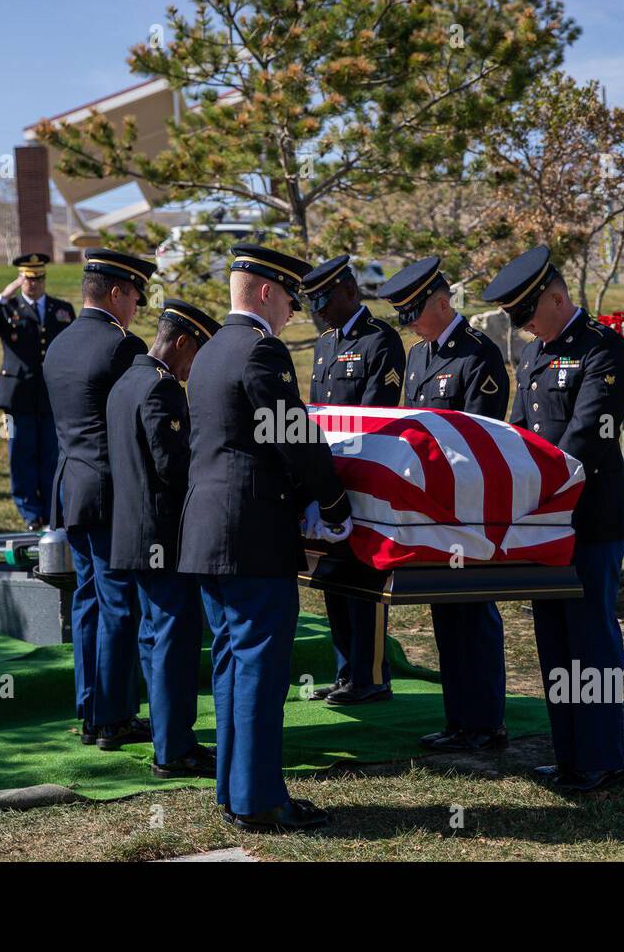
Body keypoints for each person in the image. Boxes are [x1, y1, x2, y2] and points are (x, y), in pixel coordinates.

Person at [178, 243, 353, 833]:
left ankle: (235, 790)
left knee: (231, 661)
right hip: (251, 532)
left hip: (207, 532)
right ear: (264, 293)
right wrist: (331, 498)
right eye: (288, 299)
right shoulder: (260, 351)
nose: (291, 312)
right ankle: (257, 800)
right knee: (257, 666)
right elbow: (293, 435)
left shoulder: (205, 354)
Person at [485, 245, 624, 794]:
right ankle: (569, 755)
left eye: (526, 314)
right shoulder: (534, 354)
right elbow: (520, 431)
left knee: (590, 640)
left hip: (590, 518)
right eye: (515, 320)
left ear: (556, 297)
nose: (522, 327)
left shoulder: (603, 348)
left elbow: (588, 436)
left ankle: (601, 761)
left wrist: (542, 491)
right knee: (554, 640)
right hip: (544, 524)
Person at [377, 256, 511, 752]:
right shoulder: (418, 355)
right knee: (445, 612)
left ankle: (485, 722)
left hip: (468, 506)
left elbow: (483, 436)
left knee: (472, 613)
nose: (407, 322)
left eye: (412, 310)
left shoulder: (477, 354)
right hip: (430, 507)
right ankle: (459, 719)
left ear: (440, 300)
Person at [107, 298, 223, 779]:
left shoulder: (125, 382)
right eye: (197, 354)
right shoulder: (161, 390)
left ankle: (165, 737)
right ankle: (174, 750)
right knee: (174, 640)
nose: (197, 367)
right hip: (162, 535)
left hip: (132, 532)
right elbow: (173, 469)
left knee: (155, 637)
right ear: (181, 343)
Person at [44, 249, 155, 750]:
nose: (136, 307)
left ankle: (91, 709)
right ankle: (113, 718)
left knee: (88, 600)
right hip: (110, 490)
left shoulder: (60, 343)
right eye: (134, 296)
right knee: (117, 604)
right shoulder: (120, 346)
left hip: (72, 486)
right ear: (116, 292)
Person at [303, 254, 406, 706]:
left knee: (365, 580)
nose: (318, 309)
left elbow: (376, 415)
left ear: (348, 290)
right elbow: (315, 413)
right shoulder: (325, 344)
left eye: (324, 298)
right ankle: (347, 671)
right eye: (312, 301)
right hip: (329, 480)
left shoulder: (379, 340)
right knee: (334, 578)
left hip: (363, 478)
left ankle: (373, 676)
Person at [0, 253, 75, 528]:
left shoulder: (61, 309)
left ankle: (54, 512)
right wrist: (3, 296)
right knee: (21, 455)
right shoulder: (7, 308)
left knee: (52, 455)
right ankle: (30, 513)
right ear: (21, 279)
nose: (34, 284)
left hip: (51, 397)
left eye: (39, 278)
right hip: (16, 397)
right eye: (29, 278)